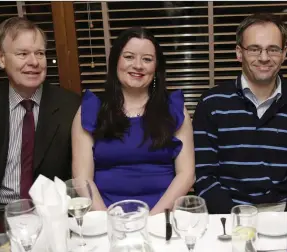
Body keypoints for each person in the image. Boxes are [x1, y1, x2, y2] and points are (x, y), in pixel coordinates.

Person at [193, 13, 287, 214]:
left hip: (284, 212)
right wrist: (235, 219)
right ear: (239, 53)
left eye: (273, 49)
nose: (264, 57)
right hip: (227, 214)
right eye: (254, 49)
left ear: (284, 53)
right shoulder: (212, 103)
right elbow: (203, 176)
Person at [0, 17, 80, 220]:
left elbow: (76, 178)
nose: (34, 62)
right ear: (1, 57)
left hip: (51, 216)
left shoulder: (72, 107)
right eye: (22, 54)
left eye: (39, 53)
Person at [71, 27, 195, 215]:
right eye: (129, 57)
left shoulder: (174, 109)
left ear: (156, 68)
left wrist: (152, 220)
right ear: (115, 62)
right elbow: (81, 178)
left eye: (147, 59)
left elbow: (187, 175)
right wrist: (109, 221)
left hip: (162, 217)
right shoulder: (90, 109)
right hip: (105, 217)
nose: (138, 65)